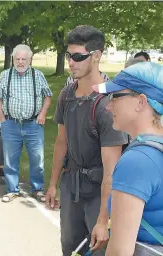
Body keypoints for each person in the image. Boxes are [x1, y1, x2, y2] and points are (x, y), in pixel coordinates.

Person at [45, 25, 129, 256]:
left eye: (78, 57)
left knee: (98, 251)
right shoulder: (67, 94)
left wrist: (103, 219)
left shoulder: (108, 104)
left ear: (97, 56)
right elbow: (61, 141)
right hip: (71, 186)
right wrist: (53, 184)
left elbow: (111, 170)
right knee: (70, 247)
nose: (71, 62)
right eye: (69, 56)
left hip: (99, 191)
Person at [92, 62, 163, 256]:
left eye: (115, 96)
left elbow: (119, 252)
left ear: (141, 102)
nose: (108, 106)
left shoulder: (137, 161)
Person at [0, 44, 53, 203]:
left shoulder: (38, 75)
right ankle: (12, 190)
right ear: (13, 59)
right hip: (11, 124)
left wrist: (42, 113)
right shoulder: (5, 75)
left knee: (37, 159)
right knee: (10, 159)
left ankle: (37, 189)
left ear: (30, 60)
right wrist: (2, 119)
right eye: (17, 59)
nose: (20, 62)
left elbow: (48, 96)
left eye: (23, 59)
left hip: (33, 125)